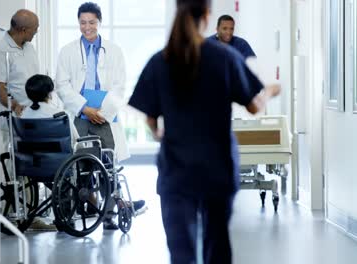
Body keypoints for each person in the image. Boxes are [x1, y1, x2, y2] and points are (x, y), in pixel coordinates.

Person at [128, 0, 280, 263]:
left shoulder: (161, 60)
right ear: (208, 15)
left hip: (176, 170)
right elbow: (254, 106)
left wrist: (159, 133)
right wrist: (270, 90)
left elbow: (151, 118)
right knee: (217, 247)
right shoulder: (225, 58)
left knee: (181, 253)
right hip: (217, 167)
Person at [55, 2, 146, 230]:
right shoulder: (67, 51)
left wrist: (102, 113)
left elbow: (119, 86)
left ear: (99, 22)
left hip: (106, 116)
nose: (87, 27)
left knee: (109, 164)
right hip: (80, 115)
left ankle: (109, 214)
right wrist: (85, 109)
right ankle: (90, 205)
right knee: (83, 165)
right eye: (83, 23)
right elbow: (62, 84)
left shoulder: (114, 51)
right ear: (78, 23)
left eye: (92, 22)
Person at [0, 9, 56, 231]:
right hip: (14, 118)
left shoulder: (30, 49)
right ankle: (15, 216)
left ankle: (32, 215)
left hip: (35, 115)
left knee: (32, 164)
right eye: (35, 29)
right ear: (22, 30)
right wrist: (14, 106)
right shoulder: (1, 49)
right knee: (16, 168)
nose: (37, 32)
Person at [22, 74, 80, 144]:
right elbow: (76, 141)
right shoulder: (62, 116)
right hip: (60, 154)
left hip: (31, 154)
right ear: (49, 94)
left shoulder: (24, 115)